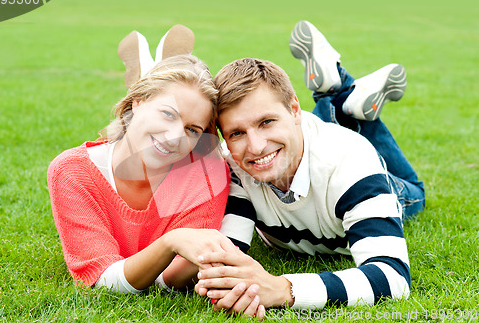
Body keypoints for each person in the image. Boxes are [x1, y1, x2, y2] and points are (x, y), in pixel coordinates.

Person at [195, 20, 425, 314]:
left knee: (414, 192)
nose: (254, 146)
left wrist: (284, 289)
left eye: (266, 122)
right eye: (236, 133)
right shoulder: (233, 164)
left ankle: (339, 96)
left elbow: (392, 278)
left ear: (294, 110)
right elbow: (228, 256)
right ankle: (340, 97)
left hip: (358, 169)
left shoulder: (349, 162)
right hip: (313, 147)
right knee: (280, 146)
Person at [47, 27, 236, 294]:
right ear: (136, 101)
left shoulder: (205, 173)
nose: (174, 138)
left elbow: (175, 276)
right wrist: (171, 242)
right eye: (168, 114)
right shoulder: (72, 171)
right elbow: (102, 279)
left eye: (192, 129)